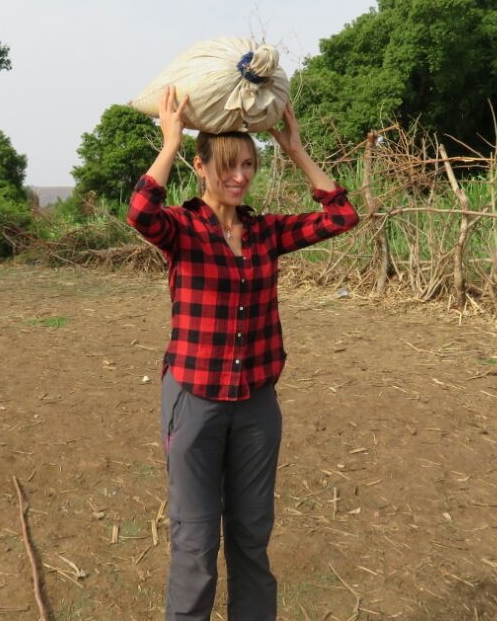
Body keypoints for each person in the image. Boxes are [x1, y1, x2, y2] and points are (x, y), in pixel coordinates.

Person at [127, 86, 360, 620]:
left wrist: (296, 150)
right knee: (196, 541)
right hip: (195, 400)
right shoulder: (182, 230)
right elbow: (141, 211)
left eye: (249, 165)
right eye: (228, 165)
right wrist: (170, 142)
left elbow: (342, 216)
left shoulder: (265, 233)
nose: (239, 176)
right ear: (202, 168)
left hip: (256, 405)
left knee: (252, 536)